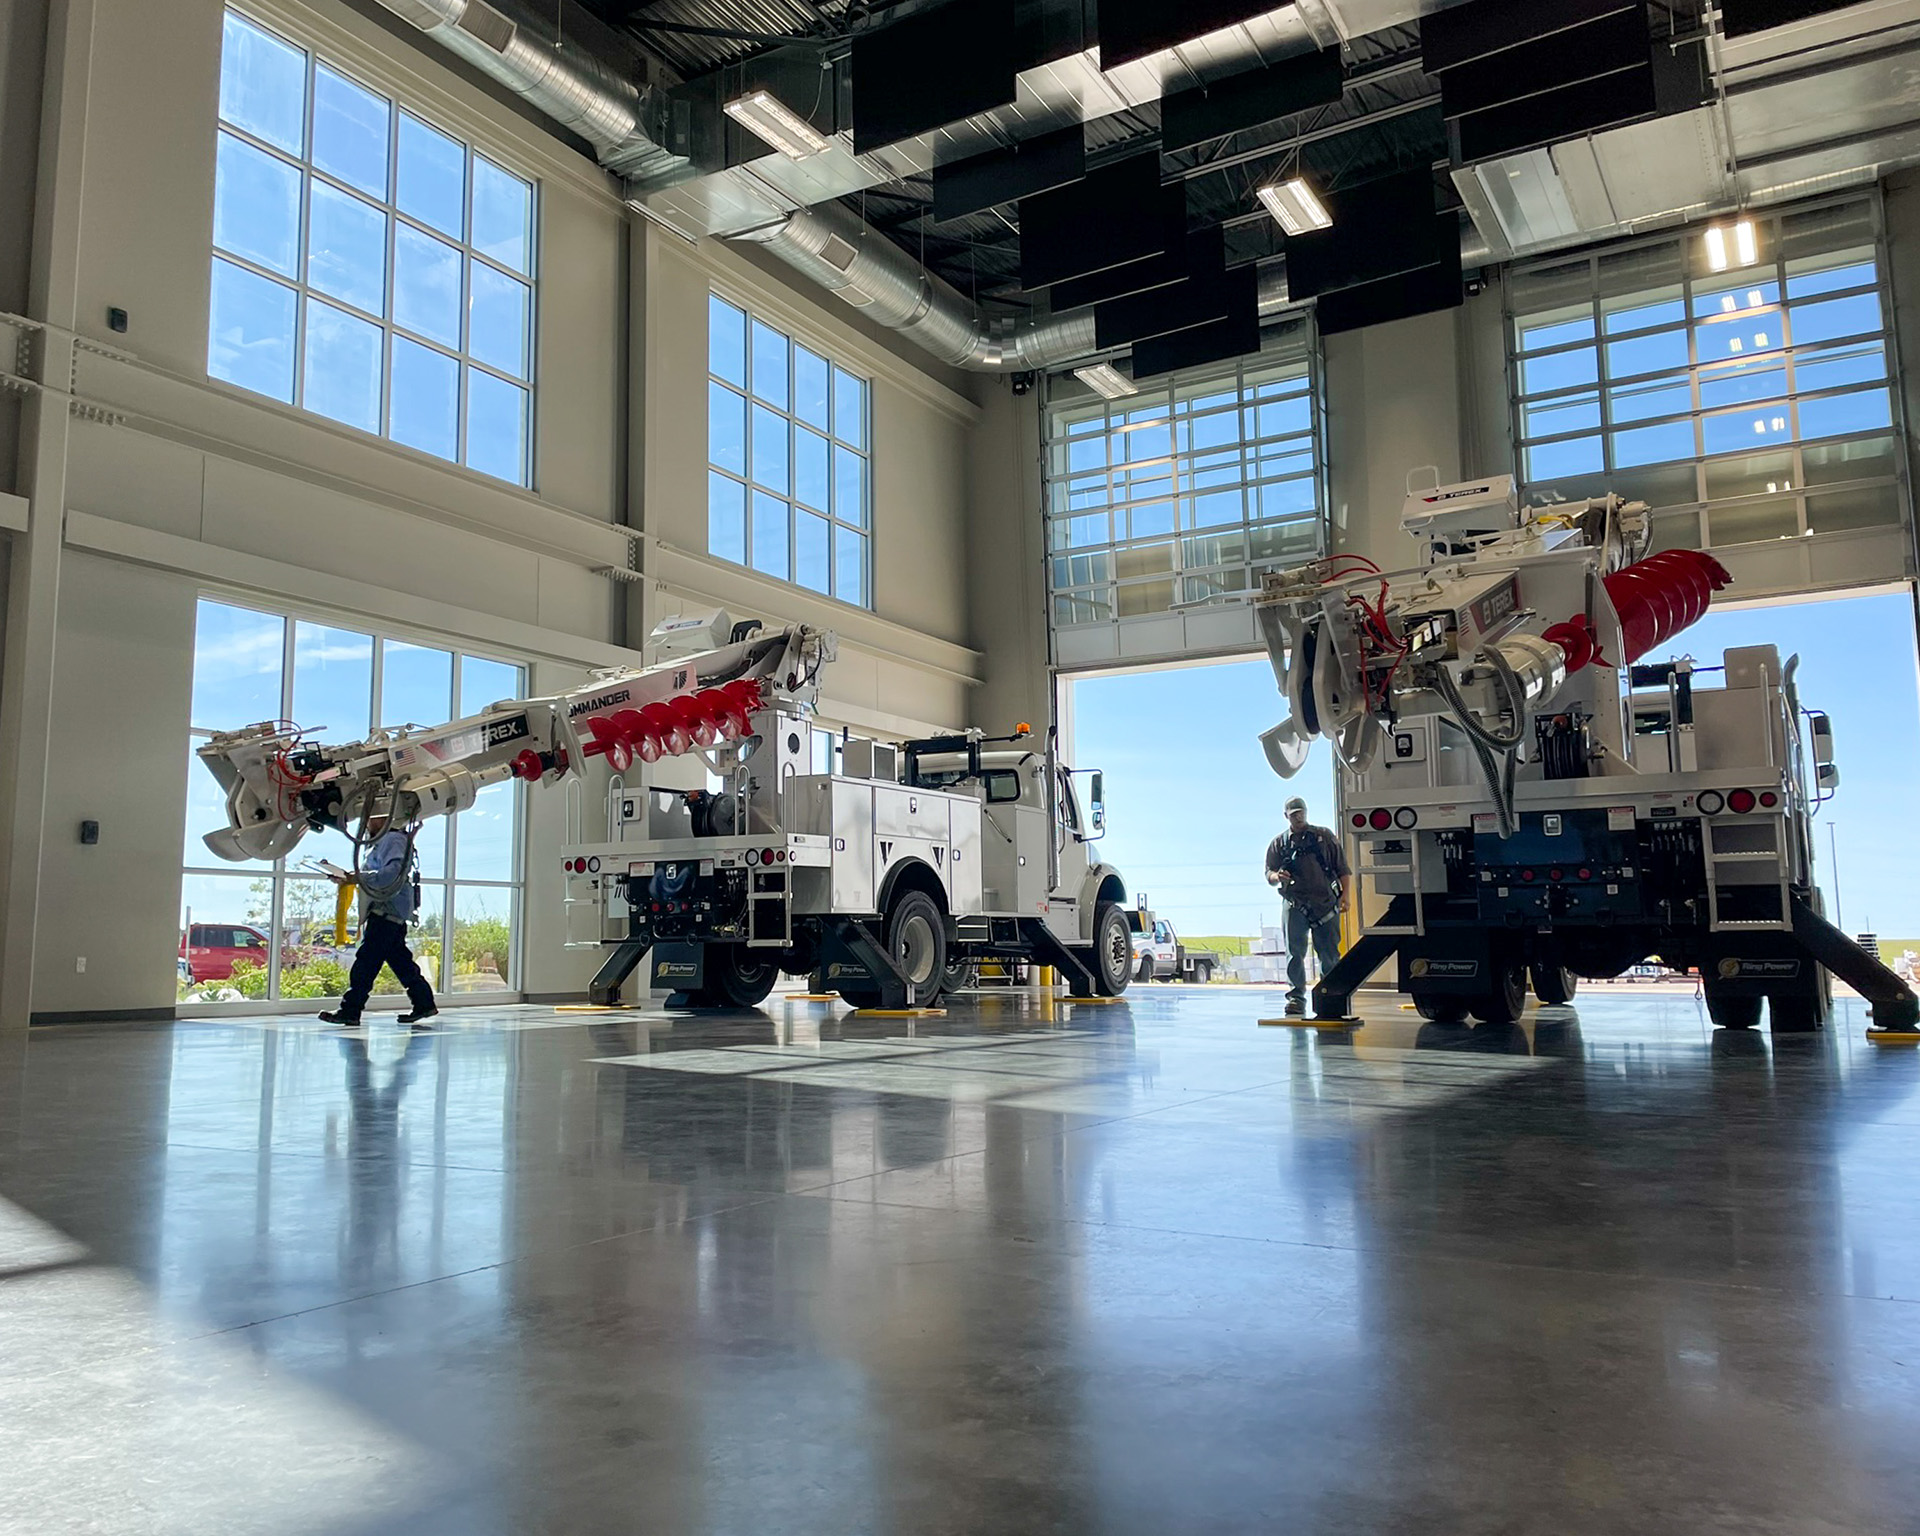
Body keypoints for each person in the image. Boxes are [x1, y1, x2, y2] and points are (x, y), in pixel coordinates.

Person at [318, 814, 438, 1028]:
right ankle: (424, 1003)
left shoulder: (393, 840)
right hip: (387, 910)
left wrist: (358, 877)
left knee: (366, 961)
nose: (367, 823)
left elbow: (391, 874)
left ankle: (350, 1010)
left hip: (386, 910)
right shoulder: (384, 843)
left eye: (372, 818)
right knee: (400, 962)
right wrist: (351, 878)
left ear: (386, 819)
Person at [1265, 795, 1350, 1016]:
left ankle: (1329, 995)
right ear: (1287, 816)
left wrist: (1345, 896)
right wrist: (1277, 876)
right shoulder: (1279, 844)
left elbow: (1342, 869)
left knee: (1329, 953)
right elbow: (1268, 873)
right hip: (1295, 903)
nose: (1299, 817)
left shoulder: (1324, 837)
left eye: (1301, 812)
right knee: (1295, 953)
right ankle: (1296, 998)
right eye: (1294, 814)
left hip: (1325, 903)